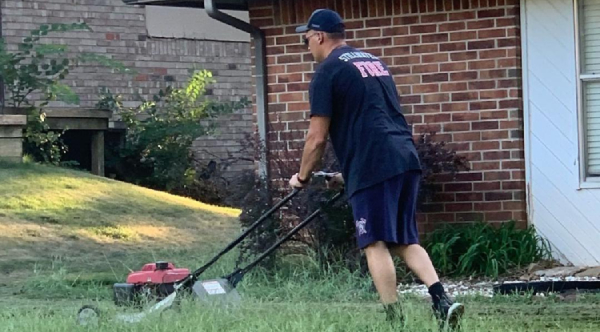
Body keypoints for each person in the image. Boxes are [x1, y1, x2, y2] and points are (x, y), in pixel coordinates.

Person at [287, 8, 465, 330]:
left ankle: (394, 321)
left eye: (306, 40)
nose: (307, 47)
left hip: (374, 162)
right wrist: (345, 176)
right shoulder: (374, 63)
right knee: (404, 240)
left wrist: (302, 178)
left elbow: (316, 138)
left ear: (319, 36)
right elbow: (376, 119)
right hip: (404, 157)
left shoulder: (327, 72)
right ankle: (442, 301)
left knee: (373, 242)